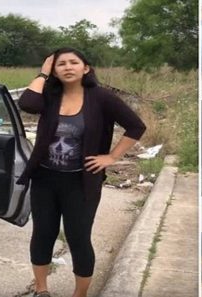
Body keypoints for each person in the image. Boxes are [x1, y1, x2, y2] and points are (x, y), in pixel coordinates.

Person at [17, 47, 146, 297]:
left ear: (85, 68)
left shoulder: (101, 97)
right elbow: (28, 104)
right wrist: (43, 74)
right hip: (45, 178)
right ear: (54, 69)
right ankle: (41, 289)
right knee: (43, 233)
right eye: (60, 64)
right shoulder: (51, 95)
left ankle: (80, 294)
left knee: (78, 238)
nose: (67, 67)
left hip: (81, 181)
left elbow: (136, 126)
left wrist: (111, 157)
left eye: (73, 62)